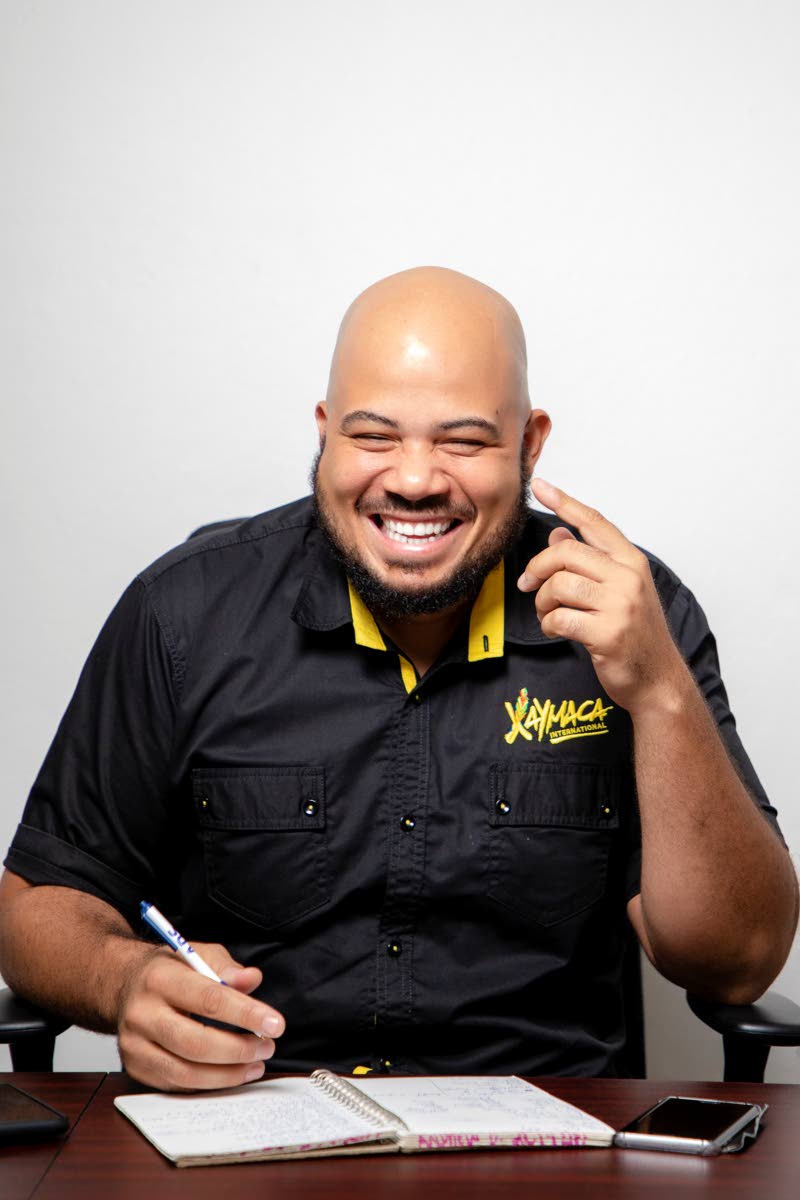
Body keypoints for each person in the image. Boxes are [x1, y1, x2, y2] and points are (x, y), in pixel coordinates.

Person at [0, 267, 796, 1091]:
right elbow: (35, 906)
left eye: (464, 441)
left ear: (530, 445)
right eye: (374, 436)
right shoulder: (184, 615)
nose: (415, 480)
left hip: (548, 1135)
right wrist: (125, 979)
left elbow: (735, 962)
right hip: (256, 1116)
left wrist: (661, 693)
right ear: (325, 434)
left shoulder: (636, 616)